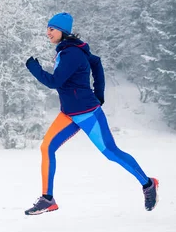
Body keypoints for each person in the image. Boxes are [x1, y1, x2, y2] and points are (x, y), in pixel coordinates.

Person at [23, 12, 159, 215]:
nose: (47, 32)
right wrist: (100, 93)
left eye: (51, 29)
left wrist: (33, 67)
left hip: (87, 113)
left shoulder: (72, 53)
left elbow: (54, 82)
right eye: (48, 28)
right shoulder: (71, 49)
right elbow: (96, 63)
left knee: (111, 152)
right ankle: (47, 199)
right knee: (47, 148)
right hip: (68, 113)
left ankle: (148, 184)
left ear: (63, 31)